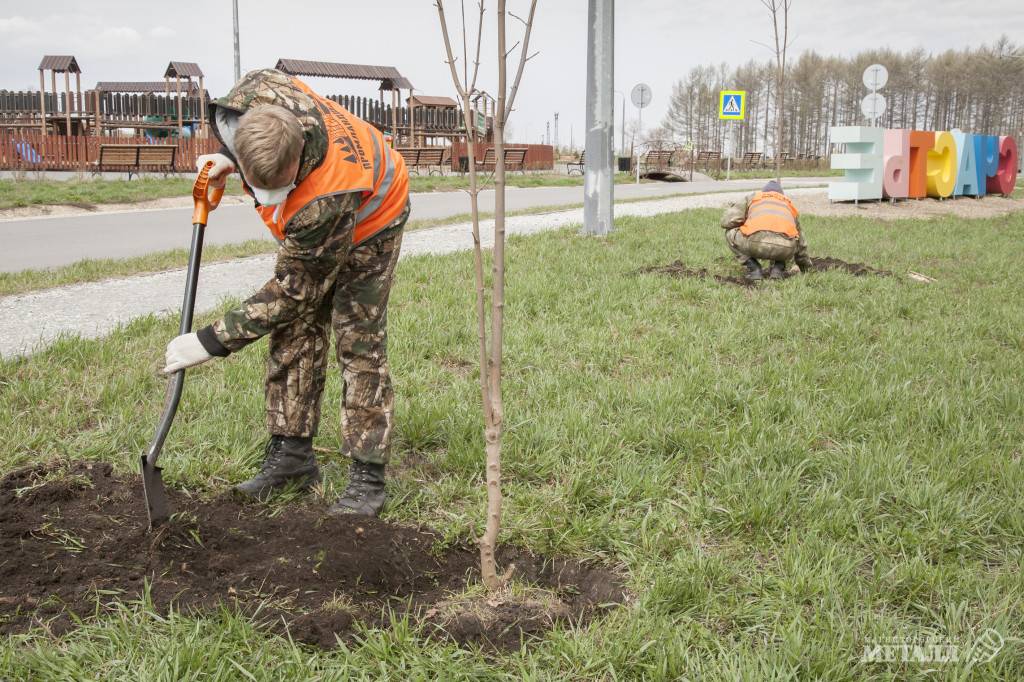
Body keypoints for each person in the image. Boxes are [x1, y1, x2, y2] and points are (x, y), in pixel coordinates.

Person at [162, 69, 410, 517]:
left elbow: (294, 291)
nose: (270, 199)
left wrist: (210, 341)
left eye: (280, 188)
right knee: (294, 331)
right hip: (320, 221)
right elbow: (293, 306)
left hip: (374, 218)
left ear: (299, 159)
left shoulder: (325, 195)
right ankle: (292, 459)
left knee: (358, 341)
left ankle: (367, 478)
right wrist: (225, 156)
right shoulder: (255, 93)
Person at [719, 180, 813, 281]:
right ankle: (778, 269)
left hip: (755, 243)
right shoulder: (788, 204)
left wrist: (746, 220)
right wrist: (805, 268)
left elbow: (727, 222)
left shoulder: (754, 197)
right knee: (790, 238)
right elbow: (801, 244)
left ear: (764, 192)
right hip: (786, 248)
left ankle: (754, 269)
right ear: (781, 195)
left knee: (730, 233)